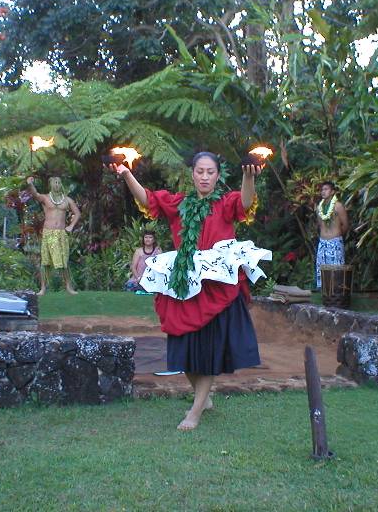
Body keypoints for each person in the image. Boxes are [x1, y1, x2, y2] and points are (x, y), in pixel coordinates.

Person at [109, 152, 270, 431]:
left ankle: (195, 410)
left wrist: (248, 177)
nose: (205, 177)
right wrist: (126, 173)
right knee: (182, 350)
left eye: (210, 172)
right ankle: (203, 399)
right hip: (184, 283)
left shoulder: (225, 203)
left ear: (218, 175)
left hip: (216, 285)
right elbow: (147, 199)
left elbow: (245, 203)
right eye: (200, 171)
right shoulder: (179, 204)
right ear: (192, 174)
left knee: (208, 351)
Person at [26, 175, 81, 296]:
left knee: (63, 262)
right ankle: (43, 289)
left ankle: (68, 287)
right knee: (45, 262)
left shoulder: (67, 200)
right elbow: (35, 195)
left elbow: (77, 213)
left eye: (59, 183)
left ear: (61, 185)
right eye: (55, 183)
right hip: (48, 233)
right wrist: (30, 184)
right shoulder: (45, 198)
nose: (57, 185)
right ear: (50, 185)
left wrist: (71, 226)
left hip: (61, 234)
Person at [315, 181, 349, 289]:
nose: (323, 192)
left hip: (335, 242)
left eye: (326, 189)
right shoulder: (319, 208)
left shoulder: (338, 206)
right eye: (322, 190)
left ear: (332, 191)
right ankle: (324, 292)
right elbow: (320, 225)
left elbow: (345, 225)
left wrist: (336, 236)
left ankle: (337, 293)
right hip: (322, 243)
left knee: (336, 270)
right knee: (322, 270)